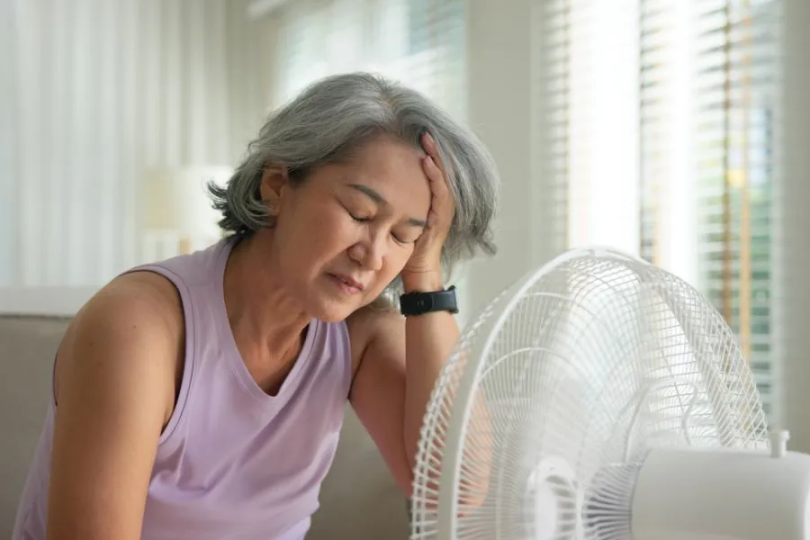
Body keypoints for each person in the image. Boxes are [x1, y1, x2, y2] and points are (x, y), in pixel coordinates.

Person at [12, 72, 500, 540]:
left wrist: (426, 280)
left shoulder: (360, 334)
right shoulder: (139, 328)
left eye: (404, 235)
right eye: (359, 213)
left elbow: (455, 491)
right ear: (277, 185)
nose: (372, 255)